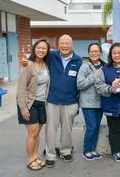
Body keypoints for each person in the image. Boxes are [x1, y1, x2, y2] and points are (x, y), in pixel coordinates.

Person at [44, 35, 82, 167]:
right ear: (58, 44)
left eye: (67, 43)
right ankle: (50, 154)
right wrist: (27, 60)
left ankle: (65, 151)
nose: (65, 46)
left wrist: (79, 102)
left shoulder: (78, 60)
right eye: (62, 43)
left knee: (67, 128)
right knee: (50, 129)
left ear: (72, 45)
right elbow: (36, 57)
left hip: (71, 101)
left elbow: (81, 81)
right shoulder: (51, 56)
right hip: (53, 100)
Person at [17, 39, 50, 170]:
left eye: (44, 48)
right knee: (32, 132)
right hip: (29, 103)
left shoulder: (46, 64)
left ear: (47, 51)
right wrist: (23, 108)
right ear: (34, 49)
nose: (41, 50)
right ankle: (30, 160)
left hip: (42, 103)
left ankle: (35, 156)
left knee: (37, 133)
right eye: (39, 48)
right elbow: (21, 88)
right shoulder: (27, 65)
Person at [77, 43, 105, 161]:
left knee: (96, 127)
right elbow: (80, 84)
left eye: (96, 51)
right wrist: (94, 76)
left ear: (100, 53)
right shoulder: (84, 66)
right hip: (88, 103)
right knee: (91, 127)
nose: (94, 53)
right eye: (92, 51)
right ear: (89, 53)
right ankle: (86, 150)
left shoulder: (104, 66)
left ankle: (93, 149)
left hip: (101, 102)